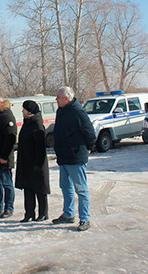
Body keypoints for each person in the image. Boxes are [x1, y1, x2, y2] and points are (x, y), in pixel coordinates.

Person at [52, 86, 96, 231]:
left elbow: (90, 132)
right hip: (63, 156)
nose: (56, 99)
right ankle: (68, 214)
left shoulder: (78, 112)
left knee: (81, 189)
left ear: (66, 98)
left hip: (76, 157)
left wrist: (89, 147)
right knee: (65, 187)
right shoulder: (61, 111)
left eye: (58, 97)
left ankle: (85, 218)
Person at [14, 100, 50, 222]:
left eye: (24, 109)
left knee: (40, 189)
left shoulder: (37, 125)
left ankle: (43, 213)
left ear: (30, 111)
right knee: (28, 188)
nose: (22, 111)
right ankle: (29, 213)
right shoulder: (27, 123)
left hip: (36, 163)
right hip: (26, 162)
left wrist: (38, 164)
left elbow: (41, 148)